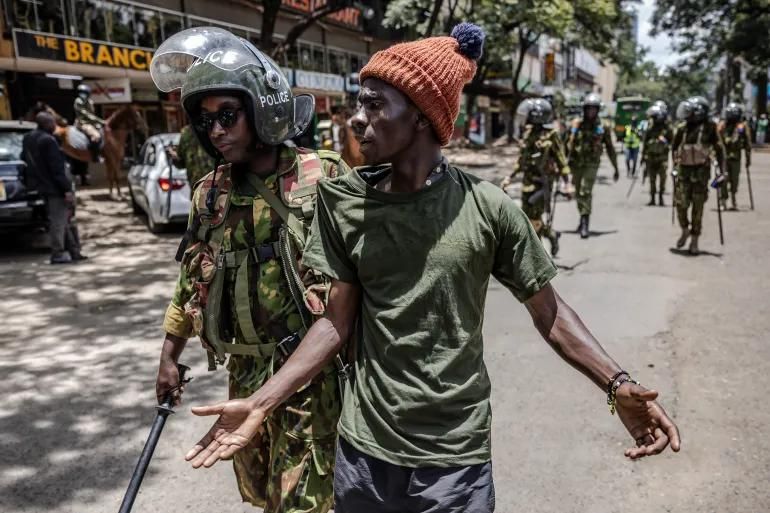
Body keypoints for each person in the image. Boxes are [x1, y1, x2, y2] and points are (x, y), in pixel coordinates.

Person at [184, 23, 681, 513]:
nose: (357, 120)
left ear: (422, 116)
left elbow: (549, 313)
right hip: (364, 455)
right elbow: (335, 322)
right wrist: (260, 403)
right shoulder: (341, 203)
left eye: (375, 105)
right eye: (360, 103)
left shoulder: (488, 208)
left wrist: (616, 386)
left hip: (454, 462)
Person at [149, 27, 350, 512]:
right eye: (206, 119)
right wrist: (169, 356)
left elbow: (367, 281)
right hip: (244, 372)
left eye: (227, 115)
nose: (216, 129)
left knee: (304, 504)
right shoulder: (209, 193)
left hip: (309, 376)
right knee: (261, 496)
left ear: (263, 108)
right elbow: (190, 281)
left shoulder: (322, 176)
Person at [500, 98, 570, 256]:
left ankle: (535, 256)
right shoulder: (528, 133)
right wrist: (510, 177)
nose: (525, 119)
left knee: (533, 219)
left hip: (542, 184)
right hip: (527, 182)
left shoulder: (551, 135)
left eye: (528, 116)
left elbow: (561, 159)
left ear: (537, 116)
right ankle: (551, 234)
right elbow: (521, 160)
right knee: (527, 218)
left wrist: (567, 183)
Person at [21, 112, 87, 264]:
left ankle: (74, 251)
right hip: (55, 187)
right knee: (59, 221)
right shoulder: (49, 141)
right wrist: (66, 190)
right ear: (46, 124)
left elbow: (24, 158)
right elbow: (56, 169)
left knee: (65, 220)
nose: (54, 126)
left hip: (41, 186)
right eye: (52, 123)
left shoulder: (28, 138)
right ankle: (57, 253)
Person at [672, 96, 726, 255]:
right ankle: (684, 229)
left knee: (698, 208)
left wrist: (722, 172)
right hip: (683, 173)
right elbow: (674, 148)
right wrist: (674, 167)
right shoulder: (682, 128)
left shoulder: (710, 128)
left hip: (701, 175)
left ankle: (695, 240)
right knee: (680, 205)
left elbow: (720, 149)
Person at [567, 93, 620, 239]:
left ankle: (585, 224)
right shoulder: (576, 124)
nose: (591, 112)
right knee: (578, 193)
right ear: (584, 109)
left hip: (592, 164)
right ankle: (582, 216)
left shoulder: (603, 126)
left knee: (585, 190)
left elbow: (610, 148)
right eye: (588, 109)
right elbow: (566, 145)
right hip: (576, 164)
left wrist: (616, 167)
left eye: (594, 109)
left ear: (598, 110)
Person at [717, 102, 751, 210]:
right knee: (723, 179)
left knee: (734, 180)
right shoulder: (722, 125)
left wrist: (748, 158)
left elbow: (747, 143)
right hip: (724, 157)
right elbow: (716, 141)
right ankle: (723, 200)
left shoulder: (742, 126)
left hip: (736, 157)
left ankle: (733, 199)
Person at [167, 124, 216, 197]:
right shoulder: (212, 127)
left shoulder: (187, 133)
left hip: (212, 187)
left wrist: (174, 155)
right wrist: (174, 157)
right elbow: (182, 162)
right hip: (204, 189)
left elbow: (181, 162)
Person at [640, 103, 674, 206]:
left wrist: (665, 142)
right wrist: (643, 157)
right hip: (651, 157)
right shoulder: (650, 128)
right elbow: (645, 143)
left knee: (662, 179)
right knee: (652, 179)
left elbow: (673, 143)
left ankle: (660, 197)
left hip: (662, 158)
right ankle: (652, 198)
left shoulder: (667, 129)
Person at [73, 84, 104, 162]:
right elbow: (86, 114)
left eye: (84, 92)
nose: (82, 94)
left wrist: (98, 123)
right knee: (96, 136)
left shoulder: (90, 101)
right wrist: (100, 121)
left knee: (103, 131)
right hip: (82, 123)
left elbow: (92, 114)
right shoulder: (78, 101)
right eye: (81, 92)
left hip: (91, 122)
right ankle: (95, 156)